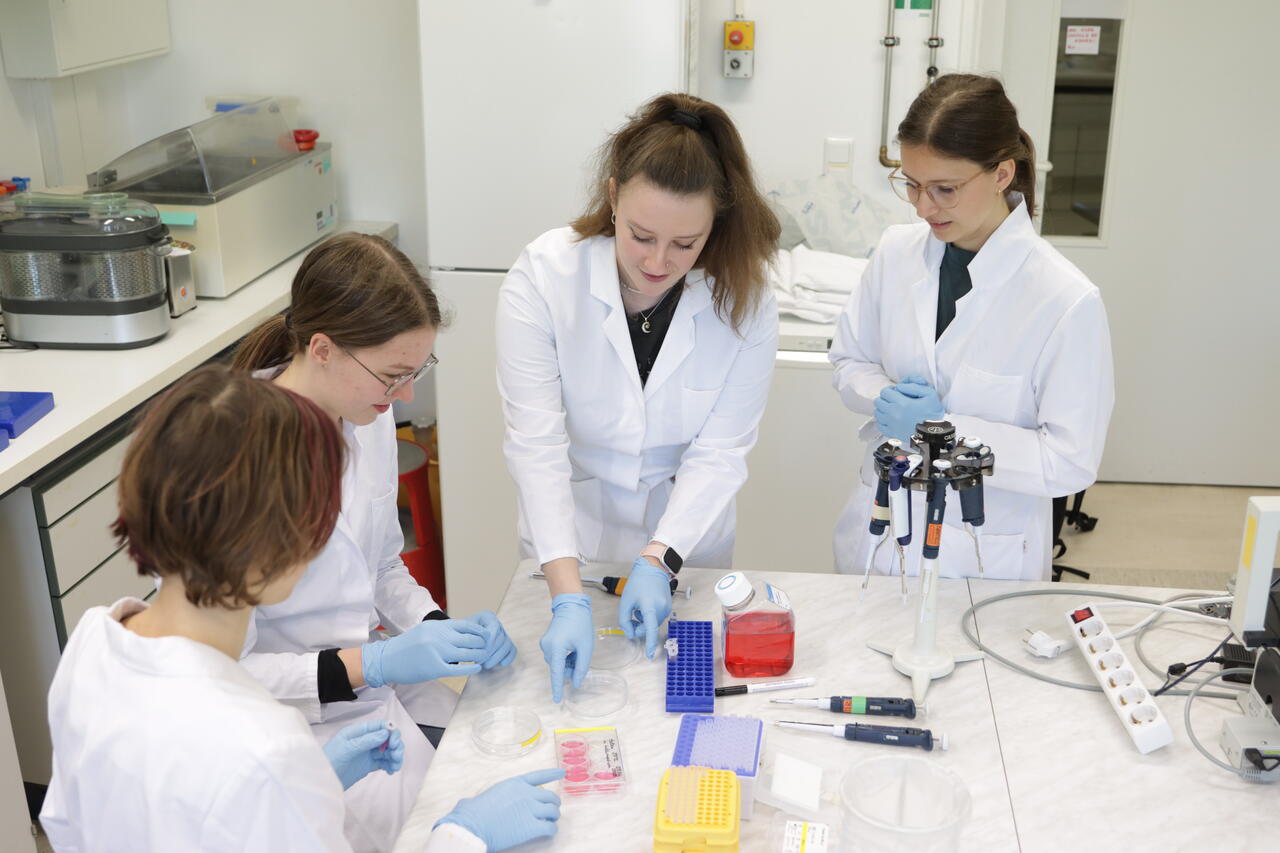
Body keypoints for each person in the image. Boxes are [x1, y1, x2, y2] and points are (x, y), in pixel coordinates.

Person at [39, 366, 564, 852]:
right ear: (282, 546)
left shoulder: (93, 643)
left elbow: (79, 822)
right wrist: (462, 835)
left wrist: (315, 785)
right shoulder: (265, 748)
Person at [232, 232, 518, 851]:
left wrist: (439, 627)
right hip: (294, 727)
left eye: (417, 372)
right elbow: (229, 671)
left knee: (493, 756)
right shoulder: (235, 459)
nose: (407, 396)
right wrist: (375, 663)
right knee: (435, 832)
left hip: (370, 693)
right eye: (393, 375)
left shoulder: (369, 413)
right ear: (322, 348)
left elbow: (382, 561)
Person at [496, 93, 781, 700]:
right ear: (612, 196)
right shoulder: (545, 278)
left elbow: (721, 451)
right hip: (572, 532)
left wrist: (661, 557)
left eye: (686, 243)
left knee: (676, 703)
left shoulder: (747, 301)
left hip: (686, 536)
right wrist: (567, 595)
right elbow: (537, 444)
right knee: (564, 702)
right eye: (641, 235)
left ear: (716, 225)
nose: (658, 261)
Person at [830, 73, 1114, 581]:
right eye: (912, 184)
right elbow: (849, 359)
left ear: (1002, 174)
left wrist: (947, 430)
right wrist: (881, 397)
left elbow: (1070, 460)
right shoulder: (897, 252)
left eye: (945, 189)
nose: (922, 207)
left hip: (984, 556)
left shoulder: (1064, 299)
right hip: (879, 534)